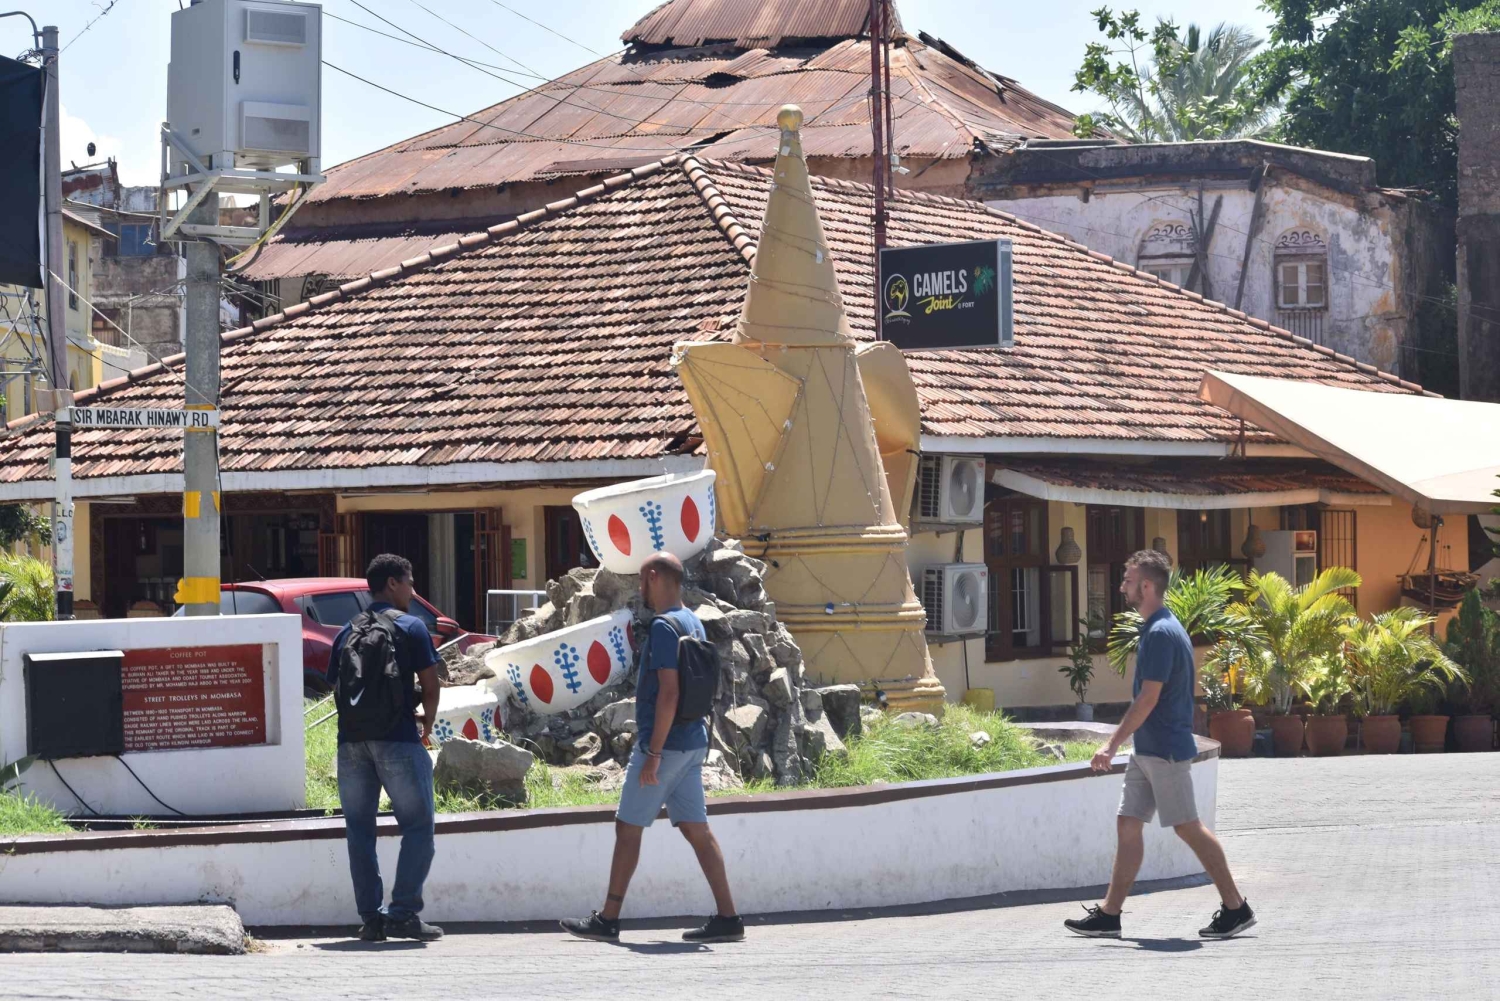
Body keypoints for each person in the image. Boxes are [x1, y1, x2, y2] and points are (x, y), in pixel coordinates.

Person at [1065, 549, 1255, 941]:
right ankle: (1109, 913)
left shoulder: (1161, 633)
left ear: (1147, 586)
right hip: (1148, 750)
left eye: (1129, 581)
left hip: (1164, 748)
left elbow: (1148, 698)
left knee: (1189, 828)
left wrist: (1111, 745)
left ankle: (1236, 907)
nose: (1122, 587)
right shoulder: (1158, 628)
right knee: (1128, 823)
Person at [560, 552, 744, 945]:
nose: (640, 590)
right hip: (693, 741)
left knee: (628, 827)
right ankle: (729, 917)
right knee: (697, 829)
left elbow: (669, 693)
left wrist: (654, 752)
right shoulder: (693, 620)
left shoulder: (663, 627)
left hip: (666, 746)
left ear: (654, 577)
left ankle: (608, 918)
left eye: (642, 582)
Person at [327, 553, 445, 943]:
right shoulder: (412, 627)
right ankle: (403, 914)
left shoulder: (347, 632)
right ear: (392, 583)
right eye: (410, 582)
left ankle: (371, 920)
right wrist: (426, 724)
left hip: (351, 745)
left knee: (360, 831)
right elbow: (431, 684)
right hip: (398, 740)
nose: (413, 591)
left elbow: (335, 690)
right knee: (418, 827)